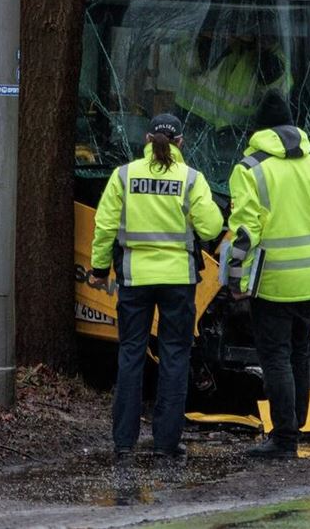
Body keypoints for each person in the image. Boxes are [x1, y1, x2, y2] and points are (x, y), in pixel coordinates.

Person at [89, 113, 223, 460]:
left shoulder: (124, 175)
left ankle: (123, 442)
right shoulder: (191, 179)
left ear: (147, 139)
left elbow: (104, 227)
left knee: (131, 354)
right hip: (178, 281)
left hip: (134, 280)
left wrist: (100, 268)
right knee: (175, 356)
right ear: (180, 142)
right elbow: (210, 229)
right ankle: (166, 442)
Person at [226, 90, 310, 459]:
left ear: (260, 128)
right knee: (299, 351)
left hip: (274, 283)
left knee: (275, 357)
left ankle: (284, 439)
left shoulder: (250, 169)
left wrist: (236, 280)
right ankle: (297, 423)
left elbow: (246, 232)